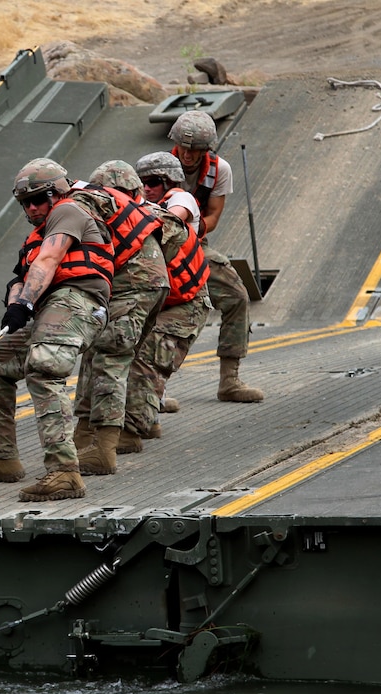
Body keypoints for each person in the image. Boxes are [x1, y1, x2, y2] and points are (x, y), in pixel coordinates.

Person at [0, 158, 110, 502]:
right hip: (52, 308)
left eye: (39, 198)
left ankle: (65, 473)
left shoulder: (69, 211)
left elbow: (49, 261)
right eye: (25, 202)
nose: (32, 207)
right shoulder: (36, 235)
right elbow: (20, 276)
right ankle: (0, 459)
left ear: (58, 193)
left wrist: (24, 304)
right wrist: (16, 301)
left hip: (80, 301)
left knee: (44, 367)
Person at [161, 109, 264, 410]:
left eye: (196, 149)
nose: (189, 154)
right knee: (163, 309)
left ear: (207, 149)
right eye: (184, 147)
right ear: (175, 143)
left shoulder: (220, 169)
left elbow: (214, 217)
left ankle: (229, 381)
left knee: (236, 296)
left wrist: (187, 228)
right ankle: (152, 389)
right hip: (157, 245)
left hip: (194, 243)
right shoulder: (159, 168)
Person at [71, 161, 167, 475]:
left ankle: (102, 452)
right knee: (99, 356)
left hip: (133, 288)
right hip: (152, 286)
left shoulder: (90, 204)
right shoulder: (134, 209)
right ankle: (85, 436)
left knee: (110, 359)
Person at [115, 152, 212, 453]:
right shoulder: (142, 208)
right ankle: (148, 418)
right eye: (141, 184)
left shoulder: (179, 201)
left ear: (170, 182)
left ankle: (131, 432)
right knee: (128, 349)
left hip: (188, 303)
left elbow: (177, 213)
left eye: (154, 183)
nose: (148, 188)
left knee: (148, 356)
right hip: (161, 299)